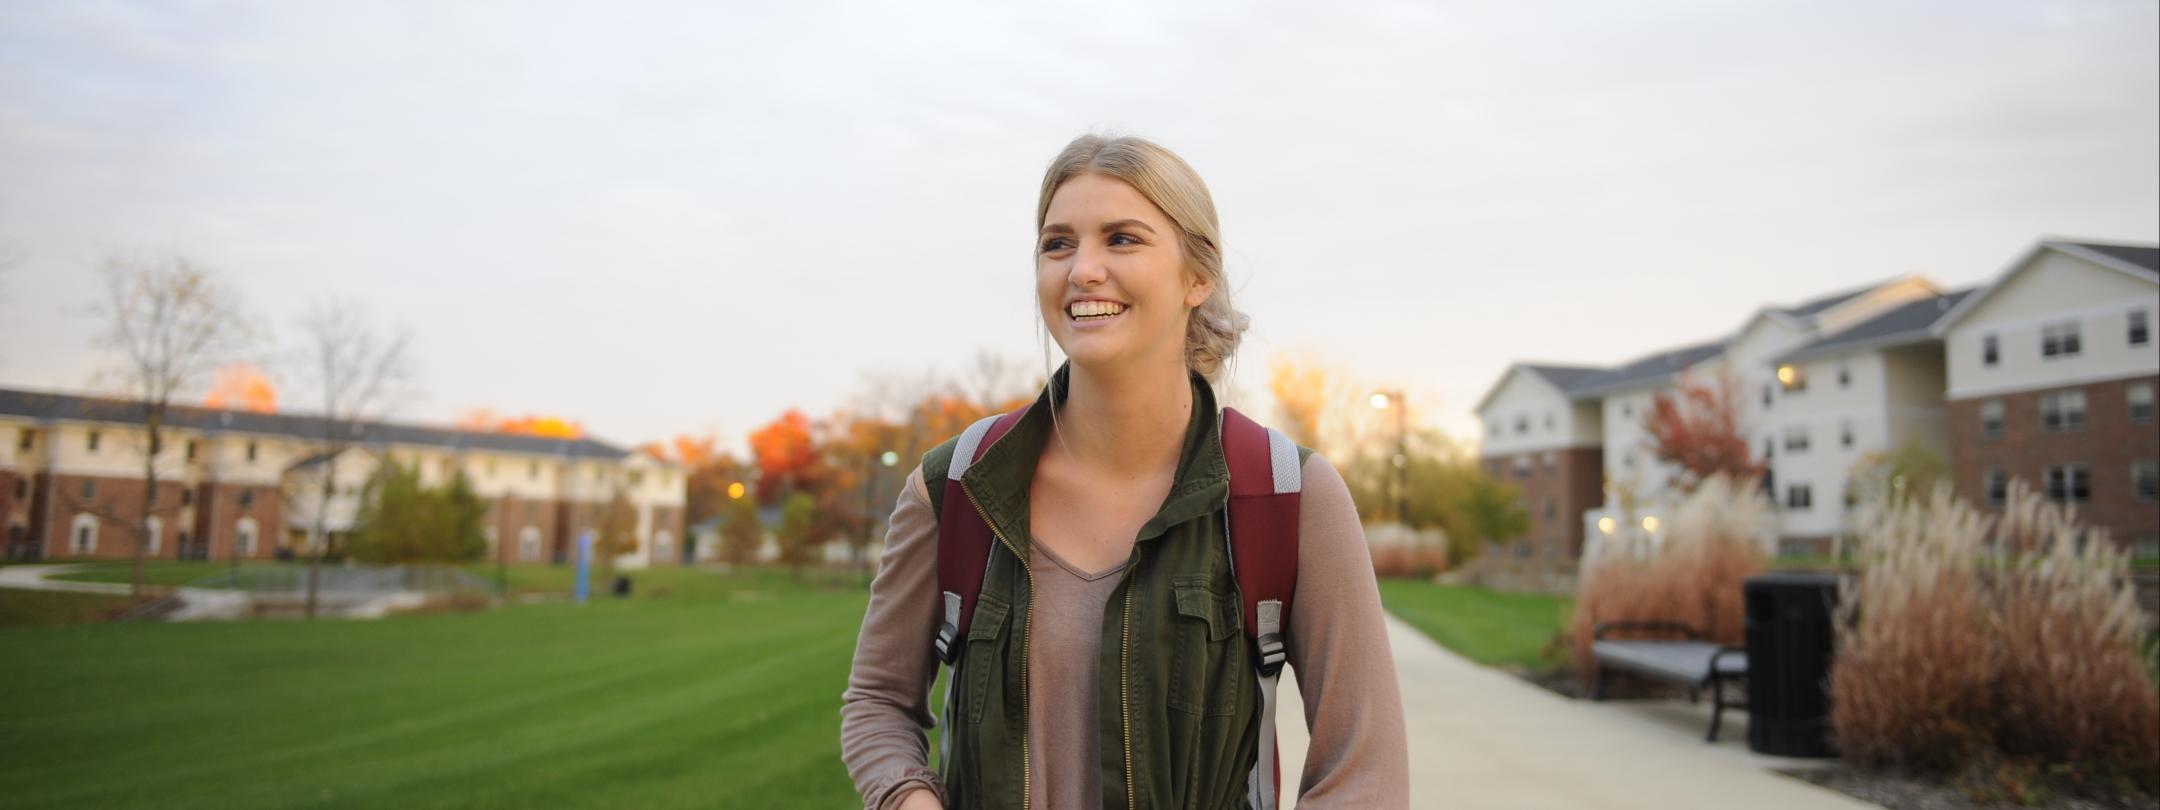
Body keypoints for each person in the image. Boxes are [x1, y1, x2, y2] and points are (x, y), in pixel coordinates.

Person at [840, 134, 1408, 810]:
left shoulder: (1288, 495)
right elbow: (877, 701)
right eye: (1058, 244)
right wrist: (908, 799)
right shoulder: (956, 487)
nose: (1082, 269)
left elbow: (1364, 774)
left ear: (1197, 277)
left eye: (1122, 239)